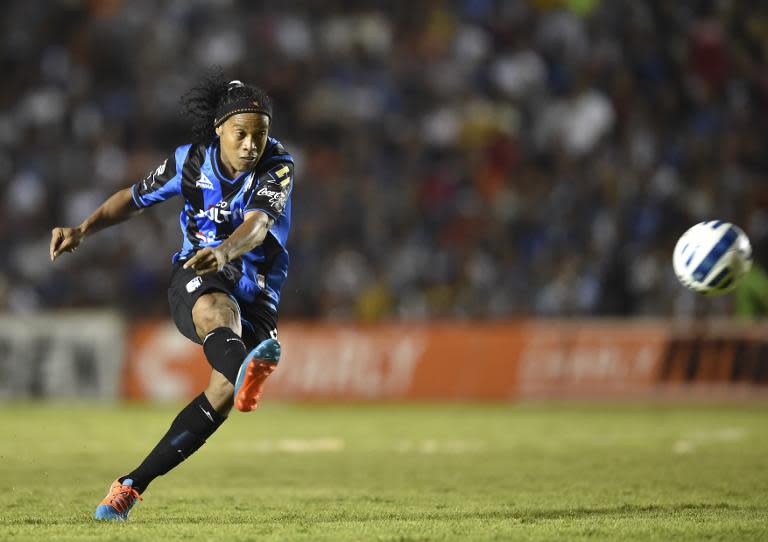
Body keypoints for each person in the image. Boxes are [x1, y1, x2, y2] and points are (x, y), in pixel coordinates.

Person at [49, 73, 295, 521]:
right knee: (216, 312)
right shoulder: (190, 161)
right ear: (220, 129)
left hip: (255, 287)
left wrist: (224, 251)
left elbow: (258, 227)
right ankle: (245, 368)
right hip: (197, 276)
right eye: (241, 134)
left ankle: (129, 486)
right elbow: (133, 197)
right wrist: (82, 229)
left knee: (220, 395)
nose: (250, 145)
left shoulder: (277, 164)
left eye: (259, 135)